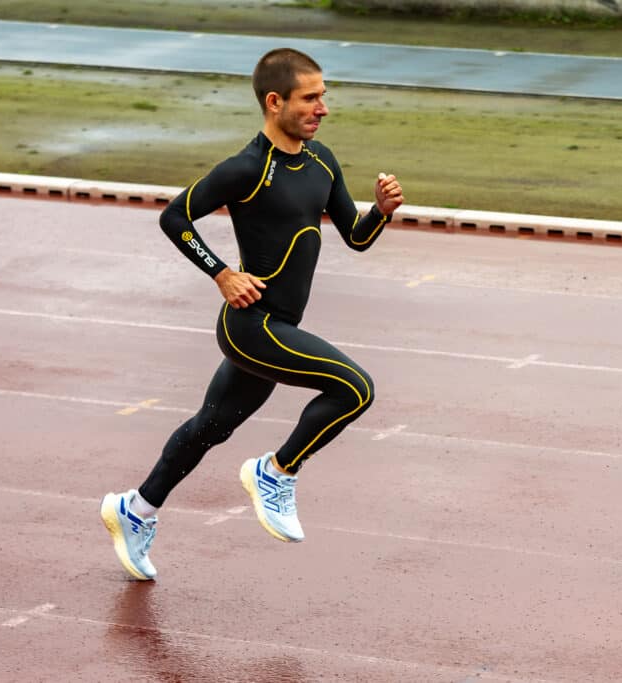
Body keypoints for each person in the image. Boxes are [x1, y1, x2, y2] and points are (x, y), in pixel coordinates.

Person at [100, 48, 404, 581]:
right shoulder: (247, 168)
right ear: (275, 102)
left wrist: (379, 212)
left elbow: (355, 238)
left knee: (209, 428)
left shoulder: (321, 161)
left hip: (279, 326)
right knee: (354, 389)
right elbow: (175, 218)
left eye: (323, 97)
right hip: (251, 325)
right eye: (310, 98)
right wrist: (222, 274)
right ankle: (276, 472)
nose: (323, 108)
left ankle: (136, 508)